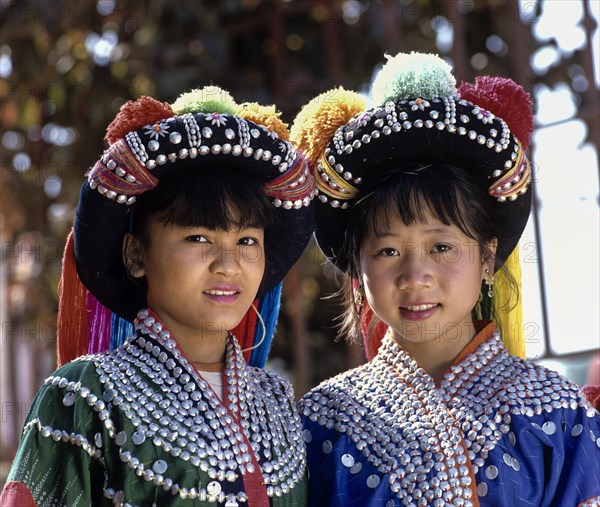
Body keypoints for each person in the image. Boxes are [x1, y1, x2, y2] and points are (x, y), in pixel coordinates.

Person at [290, 52, 600, 506]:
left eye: (441, 248)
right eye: (388, 250)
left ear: (488, 257)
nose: (416, 276)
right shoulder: (324, 421)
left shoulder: (558, 411)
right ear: (358, 267)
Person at [1, 86, 315, 506]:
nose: (227, 264)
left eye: (246, 241)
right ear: (136, 254)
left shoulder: (276, 401)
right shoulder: (84, 394)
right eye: (198, 237)